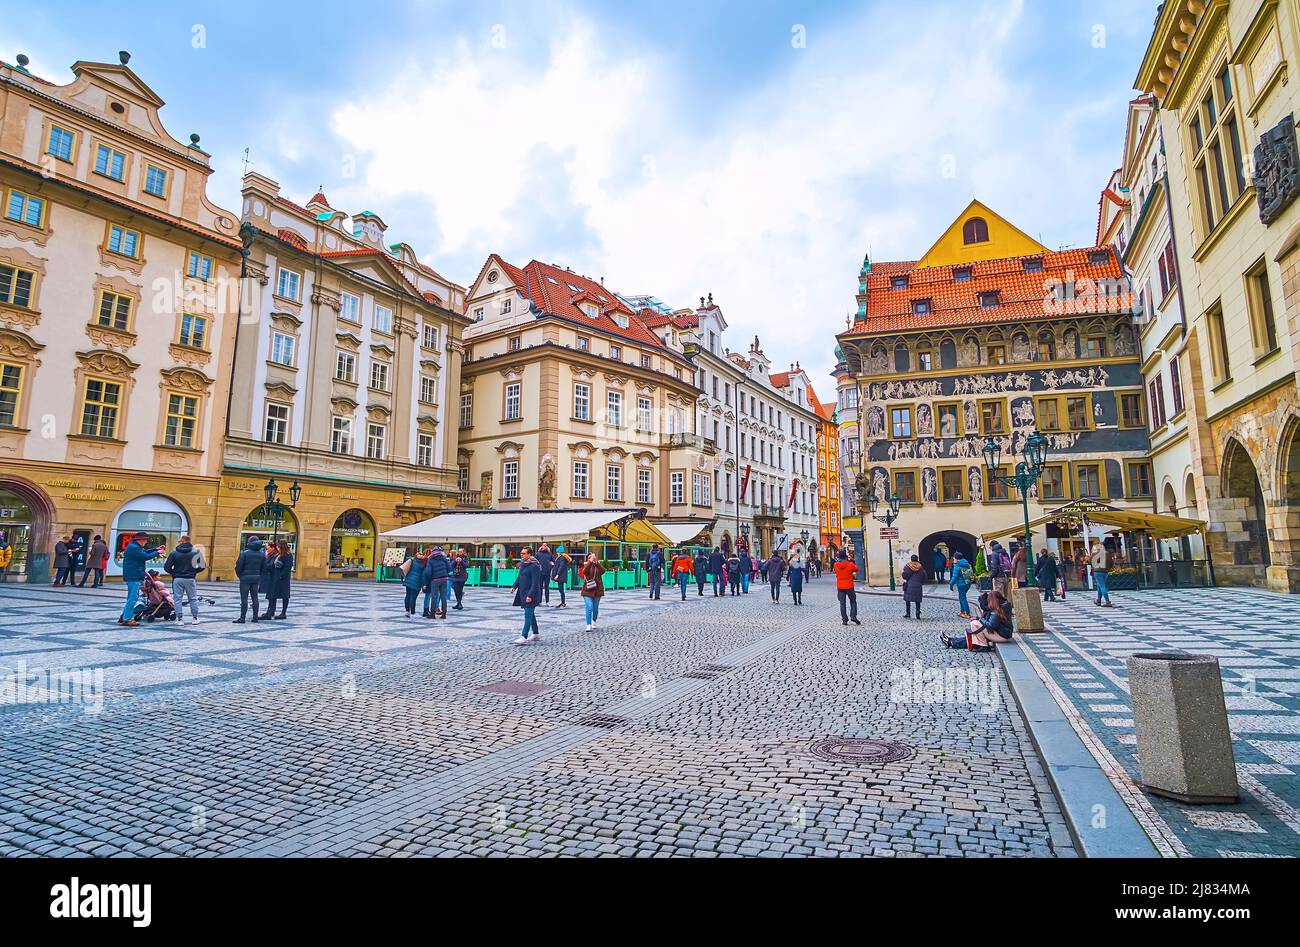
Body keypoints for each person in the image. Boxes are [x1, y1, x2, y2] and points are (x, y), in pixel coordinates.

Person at [943, 590, 1015, 652]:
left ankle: (983, 646)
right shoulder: (1003, 606)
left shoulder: (997, 610)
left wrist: (980, 619)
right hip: (1003, 633)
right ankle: (951, 641)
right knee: (974, 633)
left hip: (1002, 636)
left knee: (975, 625)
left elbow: (991, 625)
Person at [119, 531, 165, 627]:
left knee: (131, 598)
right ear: (140, 540)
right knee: (133, 598)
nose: (146, 542)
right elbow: (145, 556)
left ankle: (123, 616)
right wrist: (157, 552)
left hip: (133, 575)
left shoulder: (134, 547)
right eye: (145, 540)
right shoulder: (134, 548)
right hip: (134, 576)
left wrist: (155, 549)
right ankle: (126, 619)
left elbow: (144, 552)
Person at [163, 535, 206, 624]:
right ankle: (195, 618)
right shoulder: (195, 552)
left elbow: (167, 567)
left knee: (177, 599)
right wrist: (194, 571)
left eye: (179, 541)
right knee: (193, 598)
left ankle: (179, 619)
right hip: (190, 578)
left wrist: (174, 573)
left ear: (182, 541)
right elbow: (202, 566)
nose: (178, 542)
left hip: (177, 578)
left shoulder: (174, 553)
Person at [512, 548, 543, 645]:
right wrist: (514, 586)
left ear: (529, 554)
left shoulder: (535, 566)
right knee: (530, 614)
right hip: (523, 593)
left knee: (527, 616)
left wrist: (530, 595)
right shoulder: (524, 564)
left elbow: (535, 583)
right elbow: (519, 577)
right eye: (521, 553)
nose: (522, 555)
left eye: (524, 553)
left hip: (531, 594)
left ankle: (523, 636)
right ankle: (536, 634)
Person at [233, 536, 266, 624]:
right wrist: (259, 576)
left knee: (244, 598)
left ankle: (242, 618)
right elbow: (264, 568)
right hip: (256, 578)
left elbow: (238, 566)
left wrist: (240, 576)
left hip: (245, 578)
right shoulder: (262, 554)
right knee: (255, 597)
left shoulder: (244, 553)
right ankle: (255, 617)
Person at [264, 541, 293, 620]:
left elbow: (288, 567)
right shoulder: (277, 554)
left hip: (283, 579)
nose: (277, 547)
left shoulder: (288, 555)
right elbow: (273, 563)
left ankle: (283, 613)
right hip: (274, 577)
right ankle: (270, 611)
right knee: (272, 595)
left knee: (285, 596)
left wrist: (281, 576)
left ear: (282, 547)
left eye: (278, 546)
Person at [833, 550, 861, 626]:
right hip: (849, 586)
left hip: (840, 587)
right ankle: (853, 616)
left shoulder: (836, 565)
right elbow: (857, 569)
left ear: (839, 557)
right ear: (845, 556)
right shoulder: (850, 564)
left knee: (842, 604)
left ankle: (844, 620)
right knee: (853, 601)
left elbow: (835, 571)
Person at [423, 545, 452, 619]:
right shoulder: (444, 559)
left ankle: (432, 614)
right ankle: (444, 614)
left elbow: (428, 572)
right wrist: (444, 573)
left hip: (435, 580)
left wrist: (429, 579)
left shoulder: (431, 560)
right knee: (443, 597)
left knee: (434, 597)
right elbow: (449, 568)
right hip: (444, 579)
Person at [579, 552, 605, 632]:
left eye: (593, 557)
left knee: (595, 608)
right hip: (587, 590)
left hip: (597, 590)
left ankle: (594, 621)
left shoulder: (597, 565)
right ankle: (588, 624)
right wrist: (590, 562)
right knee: (589, 607)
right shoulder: (586, 565)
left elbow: (603, 571)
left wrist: (597, 563)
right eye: (590, 557)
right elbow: (584, 572)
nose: (592, 558)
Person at [400, 549, 427, 619]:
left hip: (408, 581)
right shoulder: (422, 564)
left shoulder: (412, 561)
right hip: (416, 582)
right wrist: (424, 584)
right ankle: (412, 613)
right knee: (413, 598)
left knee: (408, 596)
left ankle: (407, 611)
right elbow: (423, 575)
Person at [949, 553, 974, 619]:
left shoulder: (957, 565)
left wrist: (951, 585)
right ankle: (962, 611)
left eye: (954, 558)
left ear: (957, 559)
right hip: (968, 583)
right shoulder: (966, 563)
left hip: (961, 584)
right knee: (961, 597)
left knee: (962, 598)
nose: (953, 560)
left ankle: (967, 613)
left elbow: (954, 577)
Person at [1090, 538, 1113, 607]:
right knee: (1100, 586)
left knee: (1102, 586)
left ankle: (1107, 601)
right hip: (1105, 571)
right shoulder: (1108, 553)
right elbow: (1111, 563)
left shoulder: (1095, 553)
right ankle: (1099, 601)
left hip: (1097, 571)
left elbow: (1090, 562)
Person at [902, 554, 925, 619]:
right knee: (917, 600)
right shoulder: (920, 567)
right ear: (917, 559)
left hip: (909, 585)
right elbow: (924, 576)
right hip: (918, 585)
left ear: (911, 559)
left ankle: (908, 613)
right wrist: (921, 582)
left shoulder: (907, 566)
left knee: (907, 599)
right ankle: (917, 612)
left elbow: (905, 576)